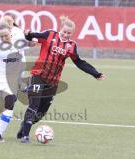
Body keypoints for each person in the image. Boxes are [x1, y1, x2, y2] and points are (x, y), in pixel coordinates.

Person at [17, 15, 105, 143]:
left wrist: (95, 73)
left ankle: (25, 125)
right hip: (39, 76)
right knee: (33, 105)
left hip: (53, 82)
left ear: (72, 33)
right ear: (60, 29)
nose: (66, 34)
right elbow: (33, 36)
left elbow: (79, 62)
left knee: (41, 112)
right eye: (64, 32)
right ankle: (25, 135)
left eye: (69, 33)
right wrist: (28, 34)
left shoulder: (71, 46)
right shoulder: (49, 35)